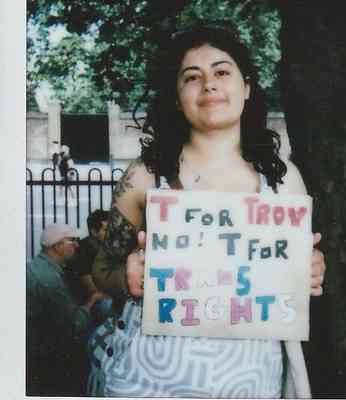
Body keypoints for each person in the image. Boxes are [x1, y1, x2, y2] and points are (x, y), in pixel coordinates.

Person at [89, 24, 326, 398]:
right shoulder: (144, 175)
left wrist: (308, 269)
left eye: (221, 72)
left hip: (250, 379)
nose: (209, 85)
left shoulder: (284, 180)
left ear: (246, 87)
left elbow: (289, 275)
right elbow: (102, 270)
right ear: (177, 94)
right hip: (148, 378)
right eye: (192, 77)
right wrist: (128, 277)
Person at [26, 223, 107, 396]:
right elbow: (75, 325)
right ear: (57, 246)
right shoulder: (49, 279)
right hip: (46, 355)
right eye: (72, 241)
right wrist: (92, 301)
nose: (77, 245)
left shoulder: (40, 266)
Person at [66, 209, 113, 325]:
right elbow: (92, 290)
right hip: (84, 303)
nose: (111, 234)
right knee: (108, 305)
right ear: (93, 231)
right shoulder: (82, 250)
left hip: (102, 296)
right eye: (106, 230)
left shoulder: (110, 248)